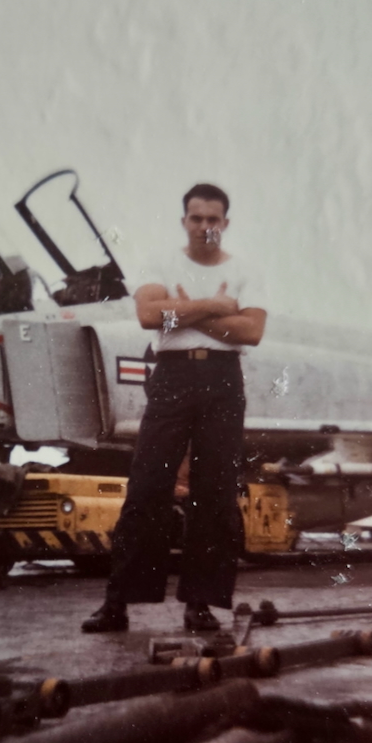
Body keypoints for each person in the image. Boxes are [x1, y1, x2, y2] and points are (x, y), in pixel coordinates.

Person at [82, 183, 268, 633]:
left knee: (215, 492)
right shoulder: (160, 262)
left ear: (225, 223)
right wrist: (214, 306)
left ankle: (200, 604)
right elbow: (149, 316)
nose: (205, 227)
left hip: (223, 380)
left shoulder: (246, 270)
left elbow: (251, 332)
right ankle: (117, 604)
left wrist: (183, 310)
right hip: (172, 375)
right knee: (147, 485)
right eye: (196, 218)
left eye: (213, 219)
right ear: (184, 221)